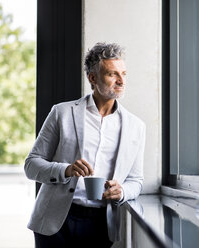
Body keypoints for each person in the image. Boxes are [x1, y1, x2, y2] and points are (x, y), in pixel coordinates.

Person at [24, 42, 146, 248]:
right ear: (93, 78)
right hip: (54, 221)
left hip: (101, 224)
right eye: (112, 74)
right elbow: (31, 165)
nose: (121, 80)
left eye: (124, 73)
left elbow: (136, 180)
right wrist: (66, 170)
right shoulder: (61, 113)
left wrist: (122, 191)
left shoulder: (136, 127)